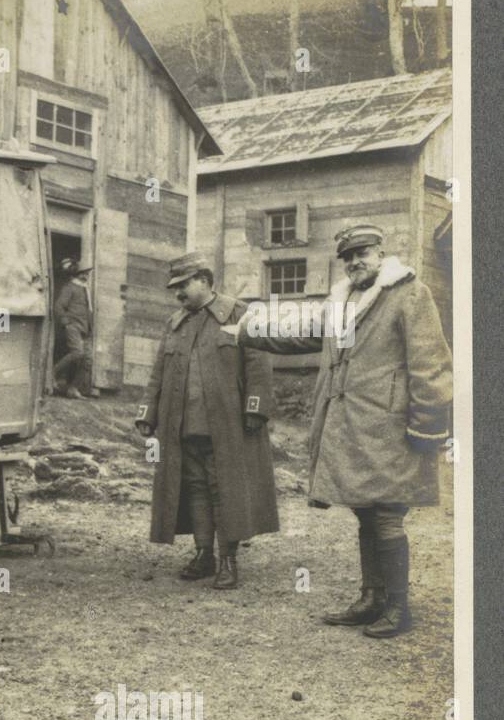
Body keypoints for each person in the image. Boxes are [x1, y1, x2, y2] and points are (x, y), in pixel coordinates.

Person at [224, 223, 452, 638]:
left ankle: (398, 608)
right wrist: (244, 331)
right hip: (355, 428)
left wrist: (428, 428)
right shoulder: (345, 301)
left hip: (392, 428)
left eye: (362, 253)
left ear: (381, 253)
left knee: (386, 517)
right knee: (366, 512)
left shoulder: (409, 294)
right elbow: (303, 335)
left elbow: (432, 364)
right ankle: (371, 599)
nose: (354, 262)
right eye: (347, 257)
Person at [135, 252, 279, 589]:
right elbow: (158, 373)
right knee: (196, 488)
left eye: (184, 285)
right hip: (183, 425)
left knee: (226, 490)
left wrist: (255, 408)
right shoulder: (175, 323)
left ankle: (228, 560)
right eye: (175, 288)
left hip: (228, 425)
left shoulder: (241, 314)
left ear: (204, 280)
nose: (178, 294)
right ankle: (204, 554)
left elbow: (259, 366)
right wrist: (147, 412)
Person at [51, 258, 98, 398]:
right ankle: (51, 373)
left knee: (88, 360)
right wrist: (67, 322)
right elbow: (58, 306)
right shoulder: (70, 288)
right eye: (85, 273)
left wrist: (90, 328)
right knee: (77, 353)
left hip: (85, 329)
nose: (87, 276)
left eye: (87, 273)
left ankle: (73, 389)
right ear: (78, 274)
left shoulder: (85, 289)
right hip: (74, 326)